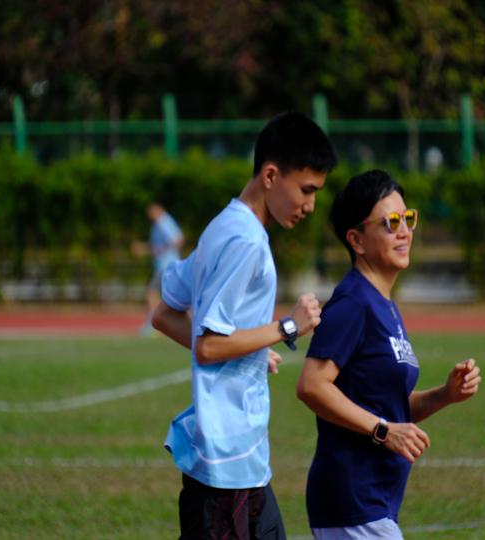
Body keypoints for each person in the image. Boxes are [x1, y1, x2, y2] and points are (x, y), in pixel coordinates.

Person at [152, 111, 338, 540]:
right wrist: (287, 327)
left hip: (241, 457)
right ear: (270, 176)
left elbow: (165, 315)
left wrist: (252, 348)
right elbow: (209, 346)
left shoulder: (223, 227)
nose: (310, 205)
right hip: (225, 460)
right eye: (306, 190)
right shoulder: (245, 241)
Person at [296, 170, 482, 540]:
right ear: (356, 240)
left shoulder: (382, 305)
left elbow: (386, 403)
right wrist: (383, 431)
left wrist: (445, 394)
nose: (404, 231)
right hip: (352, 500)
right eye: (390, 222)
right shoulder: (353, 302)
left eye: (407, 219)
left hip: (374, 501)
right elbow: (312, 386)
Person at [134, 202, 184, 336]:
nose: (149, 216)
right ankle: (160, 324)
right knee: (169, 298)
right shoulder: (160, 223)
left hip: (166, 265)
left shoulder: (163, 222)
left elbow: (177, 240)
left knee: (151, 293)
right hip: (165, 265)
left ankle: (153, 324)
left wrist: (160, 250)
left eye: (151, 212)